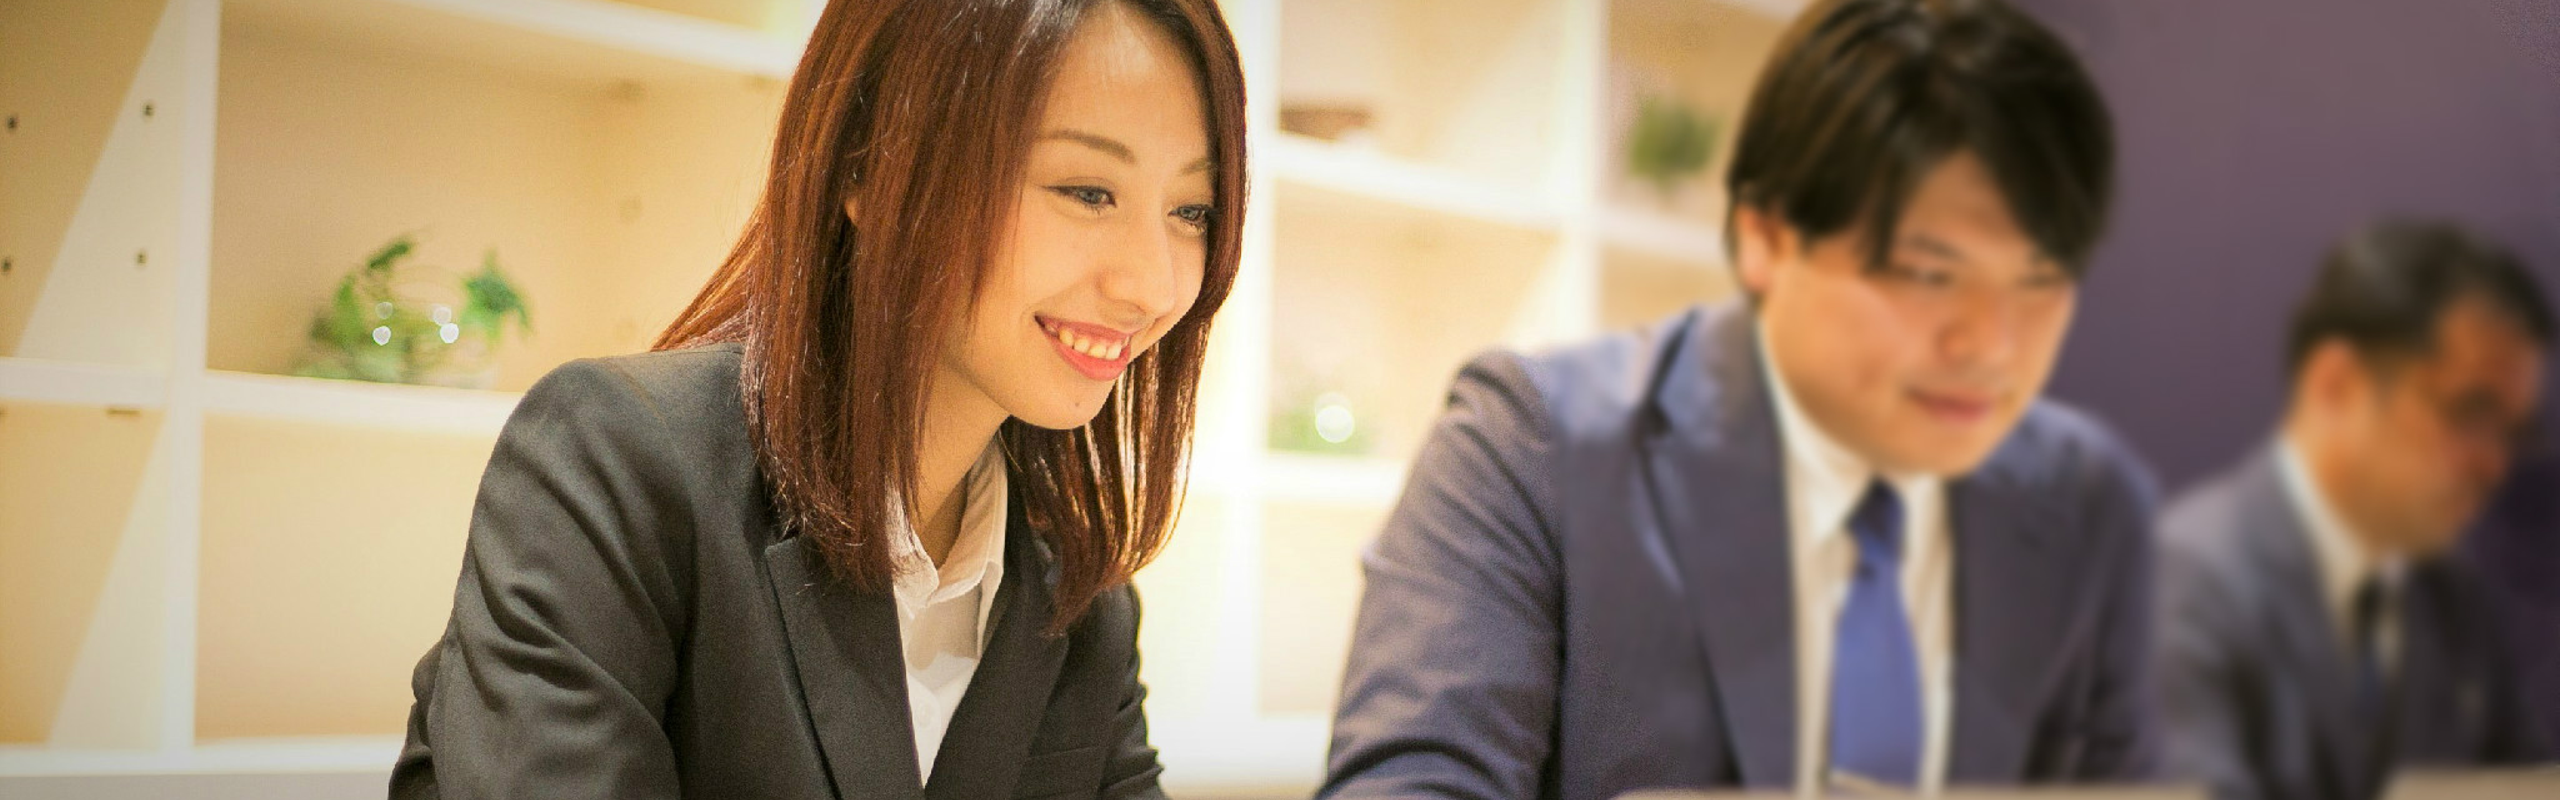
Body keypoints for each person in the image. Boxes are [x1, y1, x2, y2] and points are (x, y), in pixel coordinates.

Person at [388, 0, 1246, 796]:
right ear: (872, 173)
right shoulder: (617, 466)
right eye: (1087, 192)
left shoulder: (1080, 601)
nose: (1152, 285)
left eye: (1193, 211)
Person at [1320, 1, 2157, 797]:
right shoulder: (1531, 450)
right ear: (1765, 236)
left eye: (2040, 280)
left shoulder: (2086, 499)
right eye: (1929, 274)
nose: (1994, 345)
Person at [2154, 220, 2555, 800]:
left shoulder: (2453, 601)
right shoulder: (2184, 583)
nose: (2495, 465)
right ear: (2335, 384)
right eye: (2470, 412)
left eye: (2514, 432)